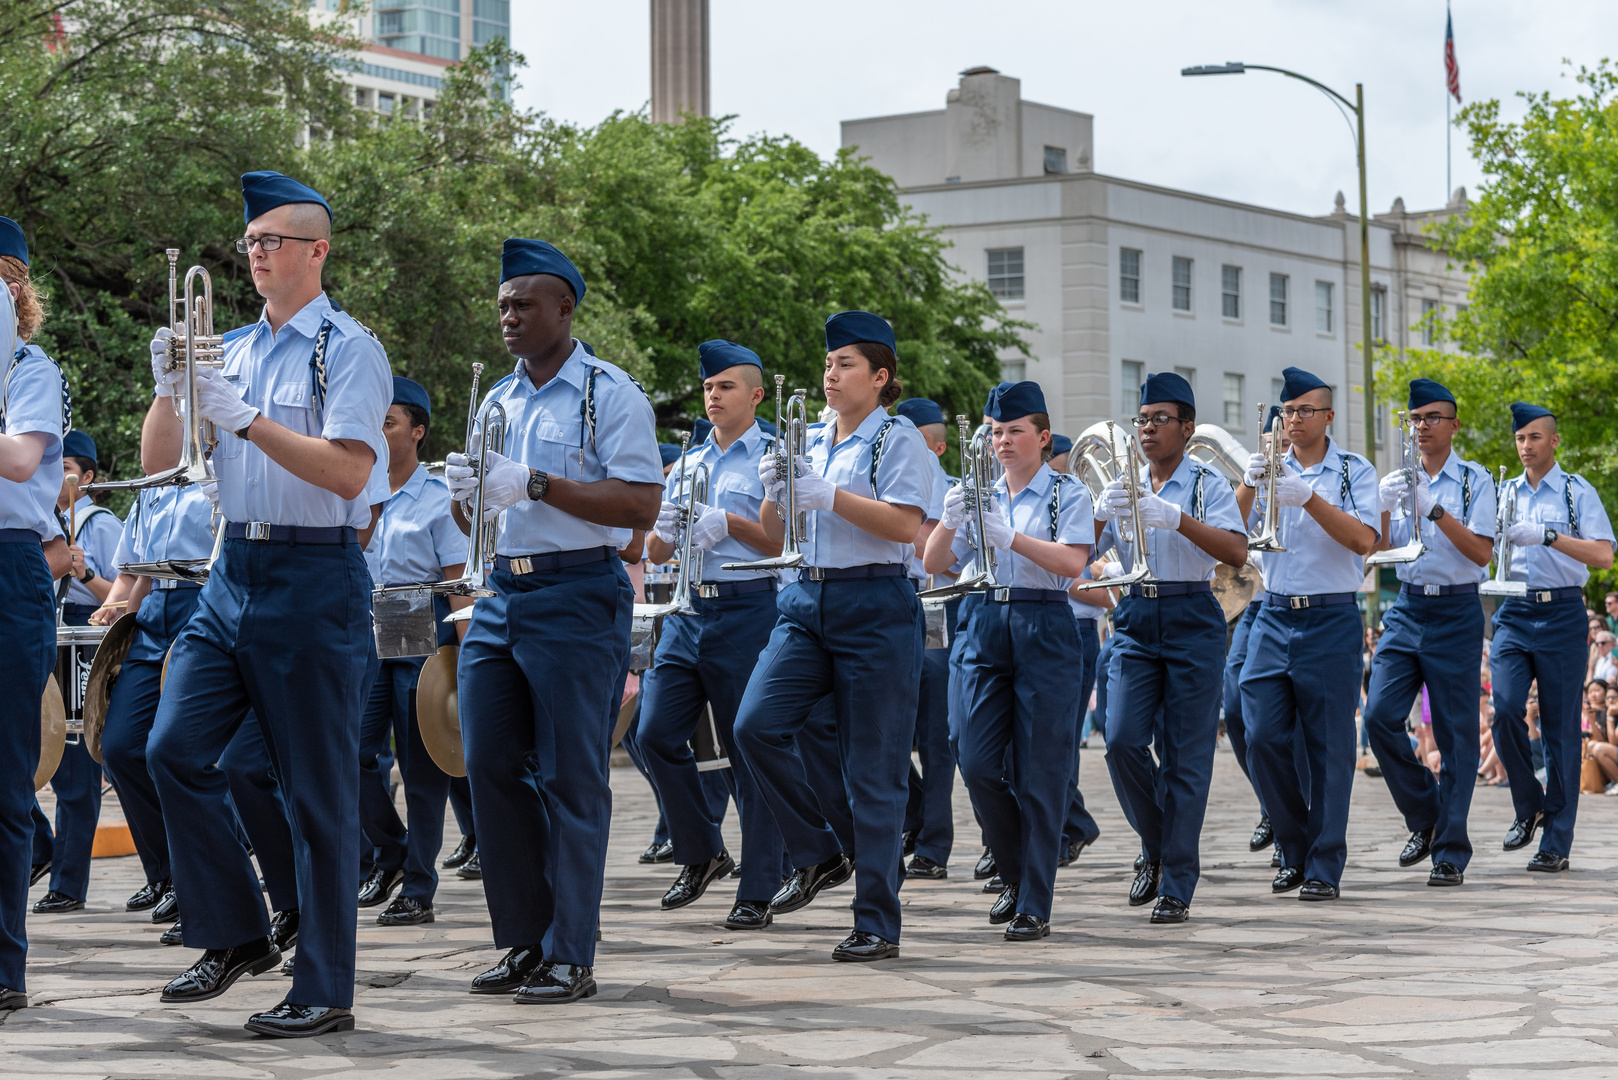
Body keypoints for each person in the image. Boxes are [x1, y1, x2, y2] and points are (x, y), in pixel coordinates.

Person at [140, 171, 391, 1037]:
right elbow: (165, 455)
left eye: (271, 241)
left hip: (315, 575)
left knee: (319, 797)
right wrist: (174, 384)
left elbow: (352, 472)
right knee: (169, 749)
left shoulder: (348, 348)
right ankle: (240, 932)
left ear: (317, 251)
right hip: (232, 571)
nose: (254, 254)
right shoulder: (233, 348)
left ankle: (325, 988)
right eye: (248, 243)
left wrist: (244, 419)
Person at [446, 239, 661, 1004]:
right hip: (503, 596)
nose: (509, 316)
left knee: (573, 777)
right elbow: (477, 515)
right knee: (492, 769)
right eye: (503, 304)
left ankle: (572, 951)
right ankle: (524, 942)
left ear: (565, 309)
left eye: (524, 303)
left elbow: (640, 506)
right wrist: (466, 491)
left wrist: (533, 482)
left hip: (576, 595)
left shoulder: (608, 394)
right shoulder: (496, 400)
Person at [732, 310, 933, 962]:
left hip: (875, 600)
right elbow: (772, 533)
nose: (831, 374)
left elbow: (905, 527)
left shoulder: (895, 441)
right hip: (806, 597)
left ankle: (876, 920)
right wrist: (776, 492)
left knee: (873, 772)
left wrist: (825, 496)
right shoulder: (810, 438)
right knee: (754, 725)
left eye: (845, 364)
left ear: (881, 377)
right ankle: (819, 851)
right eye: (828, 363)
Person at [925, 380, 1093, 939]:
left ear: (1042, 437)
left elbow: (1071, 564)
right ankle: (1017, 873)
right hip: (983, 618)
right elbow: (936, 562)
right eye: (995, 431)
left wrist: (1010, 538)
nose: (1003, 440)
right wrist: (951, 519)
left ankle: (1034, 903)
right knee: (971, 758)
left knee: (1041, 771)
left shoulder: (1067, 493)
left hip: (1043, 620)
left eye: (1015, 431)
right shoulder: (981, 493)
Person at [639, 340, 788, 930]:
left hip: (749, 609)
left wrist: (726, 522)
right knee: (653, 735)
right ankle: (702, 852)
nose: (713, 396)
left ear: (754, 395)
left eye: (725, 386)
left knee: (745, 751)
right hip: (688, 610)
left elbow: (780, 545)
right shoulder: (692, 463)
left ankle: (758, 886)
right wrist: (668, 528)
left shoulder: (774, 458)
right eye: (707, 388)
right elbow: (653, 551)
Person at [1095, 372, 1247, 922]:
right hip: (1135, 613)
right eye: (1142, 419)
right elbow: (1083, 552)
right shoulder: (1126, 480)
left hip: (1191, 612)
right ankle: (1157, 845)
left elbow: (1235, 548)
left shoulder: (1204, 482)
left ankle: (1177, 881)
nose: (1148, 428)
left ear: (1187, 427)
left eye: (1161, 419)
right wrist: (1098, 515)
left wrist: (1176, 518)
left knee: (1186, 757)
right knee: (1120, 741)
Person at [1237, 366, 1379, 902]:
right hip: (1273, 613)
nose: (1293, 420)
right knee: (1262, 736)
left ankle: (1322, 864)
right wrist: (1251, 483)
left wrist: (1308, 498)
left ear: (1328, 417)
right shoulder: (1270, 466)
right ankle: (1294, 843)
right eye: (1287, 411)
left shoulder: (1352, 471)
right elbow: (1233, 532)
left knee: (1329, 749)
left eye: (1303, 411)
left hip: (1330, 616)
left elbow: (1365, 539)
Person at [1361, 378, 1496, 887]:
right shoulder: (1397, 479)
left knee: (1457, 735)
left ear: (1454, 425)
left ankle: (1450, 850)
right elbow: (1378, 550)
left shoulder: (1474, 481)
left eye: (1431, 418)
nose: (1421, 427)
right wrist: (1385, 509)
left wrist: (1432, 509)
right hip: (1408, 606)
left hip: (1458, 609)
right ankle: (1426, 814)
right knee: (1378, 717)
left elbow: (1482, 554)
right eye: (1415, 419)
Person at [356, 377, 472, 926]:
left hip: (424, 627)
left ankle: (418, 888)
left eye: (390, 422)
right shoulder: (358, 488)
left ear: (417, 431)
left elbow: (459, 585)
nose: (378, 431)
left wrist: (470, 662)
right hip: (370, 629)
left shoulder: (437, 501)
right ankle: (392, 852)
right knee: (350, 753)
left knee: (422, 767)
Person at [1488, 401, 1615, 872]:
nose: (1525, 446)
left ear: (1554, 441)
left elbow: (1603, 556)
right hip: (1515, 611)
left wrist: (1547, 536)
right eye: (1520, 439)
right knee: (1503, 709)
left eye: (1534, 438)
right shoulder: (1503, 492)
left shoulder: (1575, 492)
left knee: (1561, 729)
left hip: (1562, 612)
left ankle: (1556, 842)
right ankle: (1530, 804)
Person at [0, 215, 68, 1010]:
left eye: (5, 273)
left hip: (8, 564)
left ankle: (4, 968)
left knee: (5, 779)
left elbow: (20, 456)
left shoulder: (30, 368)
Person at [93, 479, 215, 920]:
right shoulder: (151, 490)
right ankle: (166, 873)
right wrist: (118, 607)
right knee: (121, 746)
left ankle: (199, 876)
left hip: (201, 602)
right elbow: (135, 569)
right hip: (152, 609)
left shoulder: (219, 475)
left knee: (179, 752)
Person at [30, 426, 121, 916]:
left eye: (67, 470)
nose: (60, 479)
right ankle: (42, 850)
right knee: (33, 757)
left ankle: (67, 883)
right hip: (47, 628)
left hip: (85, 641)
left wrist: (84, 573)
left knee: (77, 769)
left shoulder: (100, 522)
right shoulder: (37, 514)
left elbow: (122, 596)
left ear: (87, 477)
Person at [895, 395, 956, 880]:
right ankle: (916, 816)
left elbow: (936, 549)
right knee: (888, 729)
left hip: (936, 603)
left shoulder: (937, 481)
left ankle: (934, 844)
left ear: (933, 447)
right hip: (898, 601)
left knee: (936, 736)